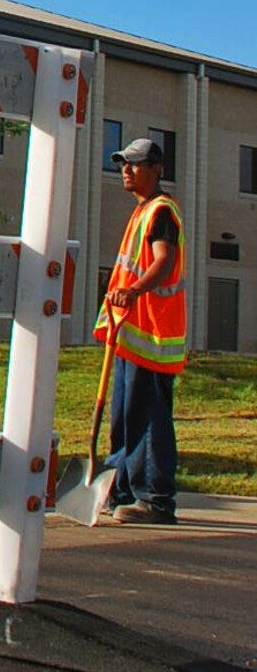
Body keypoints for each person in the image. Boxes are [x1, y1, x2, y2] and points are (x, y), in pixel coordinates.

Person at [98, 135, 186, 524]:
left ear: (157, 170)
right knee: (123, 417)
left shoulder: (161, 211)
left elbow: (163, 261)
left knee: (147, 417)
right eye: (123, 164)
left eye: (134, 164)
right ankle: (121, 491)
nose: (126, 171)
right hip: (130, 335)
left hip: (152, 336)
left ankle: (154, 499)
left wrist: (133, 290)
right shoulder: (141, 212)